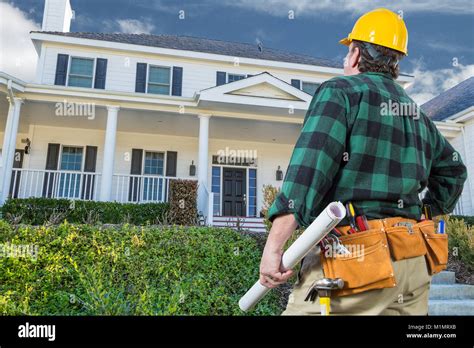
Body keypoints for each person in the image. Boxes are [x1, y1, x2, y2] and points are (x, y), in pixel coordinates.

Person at [259, 8, 467, 315]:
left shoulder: (340, 93)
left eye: (347, 53)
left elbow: (308, 172)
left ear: (355, 55)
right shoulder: (415, 114)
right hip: (412, 260)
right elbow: (454, 171)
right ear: (396, 62)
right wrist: (424, 212)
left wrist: (275, 246)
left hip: (354, 260)